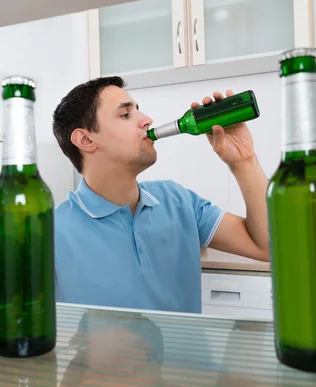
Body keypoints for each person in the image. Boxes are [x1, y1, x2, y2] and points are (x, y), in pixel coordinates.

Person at [51, 76, 270, 314]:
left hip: (186, 353)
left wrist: (244, 161)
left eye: (139, 110)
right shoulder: (49, 234)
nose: (147, 120)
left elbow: (268, 247)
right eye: (125, 115)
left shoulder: (178, 201)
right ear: (86, 139)